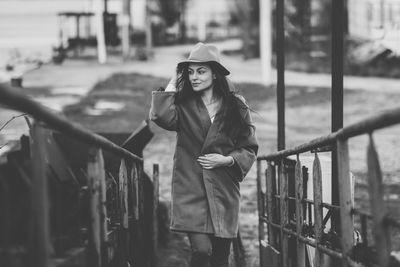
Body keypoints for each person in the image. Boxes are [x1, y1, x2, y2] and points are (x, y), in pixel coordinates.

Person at [149, 42, 258, 267]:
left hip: (223, 191)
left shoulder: (236, 107)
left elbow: (249, 146)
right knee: (201, 252)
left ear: (215, 74)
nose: (194, 77)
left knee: (219, 259)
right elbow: (159, 115)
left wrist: (228, 160)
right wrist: (175, 79)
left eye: (201, 71)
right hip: (191, 191)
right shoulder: (183, 106)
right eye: (190, 72)